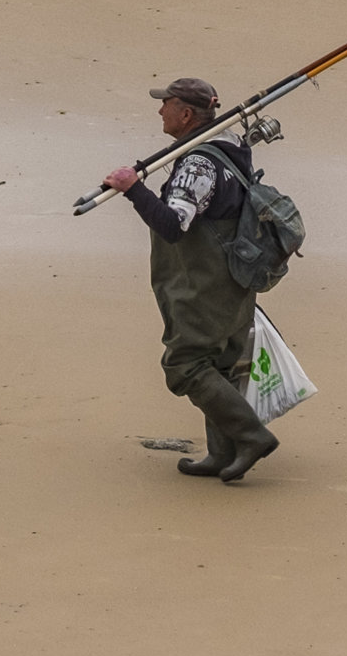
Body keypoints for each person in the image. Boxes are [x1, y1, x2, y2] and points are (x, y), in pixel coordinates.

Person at [104, 77, 279, 484]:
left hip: (206, 282)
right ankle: (221, 454)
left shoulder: (199, 162)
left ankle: (251, 437)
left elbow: (173, 224)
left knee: (185, 365)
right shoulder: (231, 146)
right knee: (219, 363)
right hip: (237, 274)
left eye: (166, 104)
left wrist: (133, 189)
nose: (159, 110)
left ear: (186, 114)